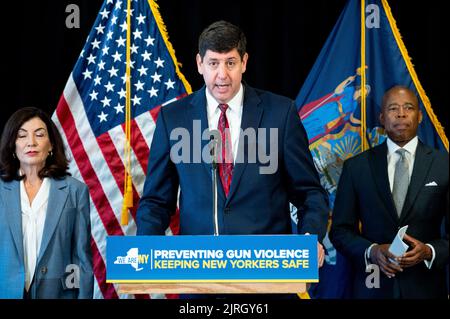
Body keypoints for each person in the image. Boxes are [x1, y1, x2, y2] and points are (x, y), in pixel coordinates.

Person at [137, 21, 328, 268]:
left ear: (244, 63)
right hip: (198, 274)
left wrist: (309, 238)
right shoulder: (173, 118)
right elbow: (156, 201)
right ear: (199, 64)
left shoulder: (280, 114)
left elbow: (309, 193)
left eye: (230, 62)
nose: (222, 75)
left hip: (267, 274)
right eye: (213, 63)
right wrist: (146, 247)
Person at [330, 85, 449, 299]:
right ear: (382, 118)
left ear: (420, 116)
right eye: (393, 108)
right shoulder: (356, 167)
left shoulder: (444, 165)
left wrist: (429, 251)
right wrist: (372, 251)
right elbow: (340, 231)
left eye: (409, 107)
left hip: (426, 289)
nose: (401, 113)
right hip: (372, 288)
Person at [0, 107, 93, 299]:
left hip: (58, 294)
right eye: (22, 135)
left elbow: (81, 259)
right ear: (13, 146)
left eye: (39, 135)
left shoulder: (75, 191)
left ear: (51, 145)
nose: (31, 143)